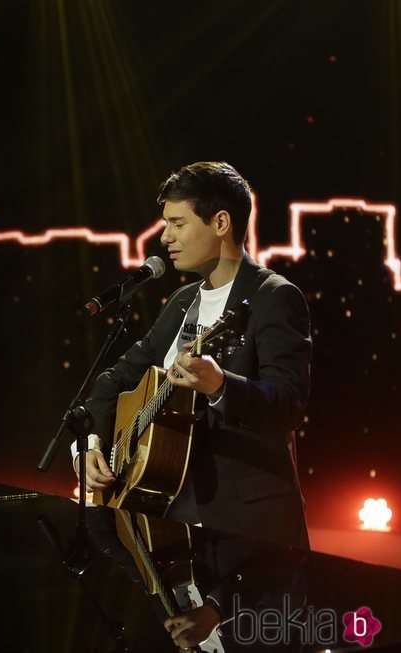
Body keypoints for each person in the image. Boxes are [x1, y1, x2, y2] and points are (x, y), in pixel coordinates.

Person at [73, 162, 310, 553]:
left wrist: (220, 386)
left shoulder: (274, 297)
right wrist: (92, 446)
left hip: (245, 534)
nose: (165, 237)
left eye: (177, 223)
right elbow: (113, 380)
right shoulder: (183, 302)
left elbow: (289, 404)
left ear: (220, 223)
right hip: (164, 523)